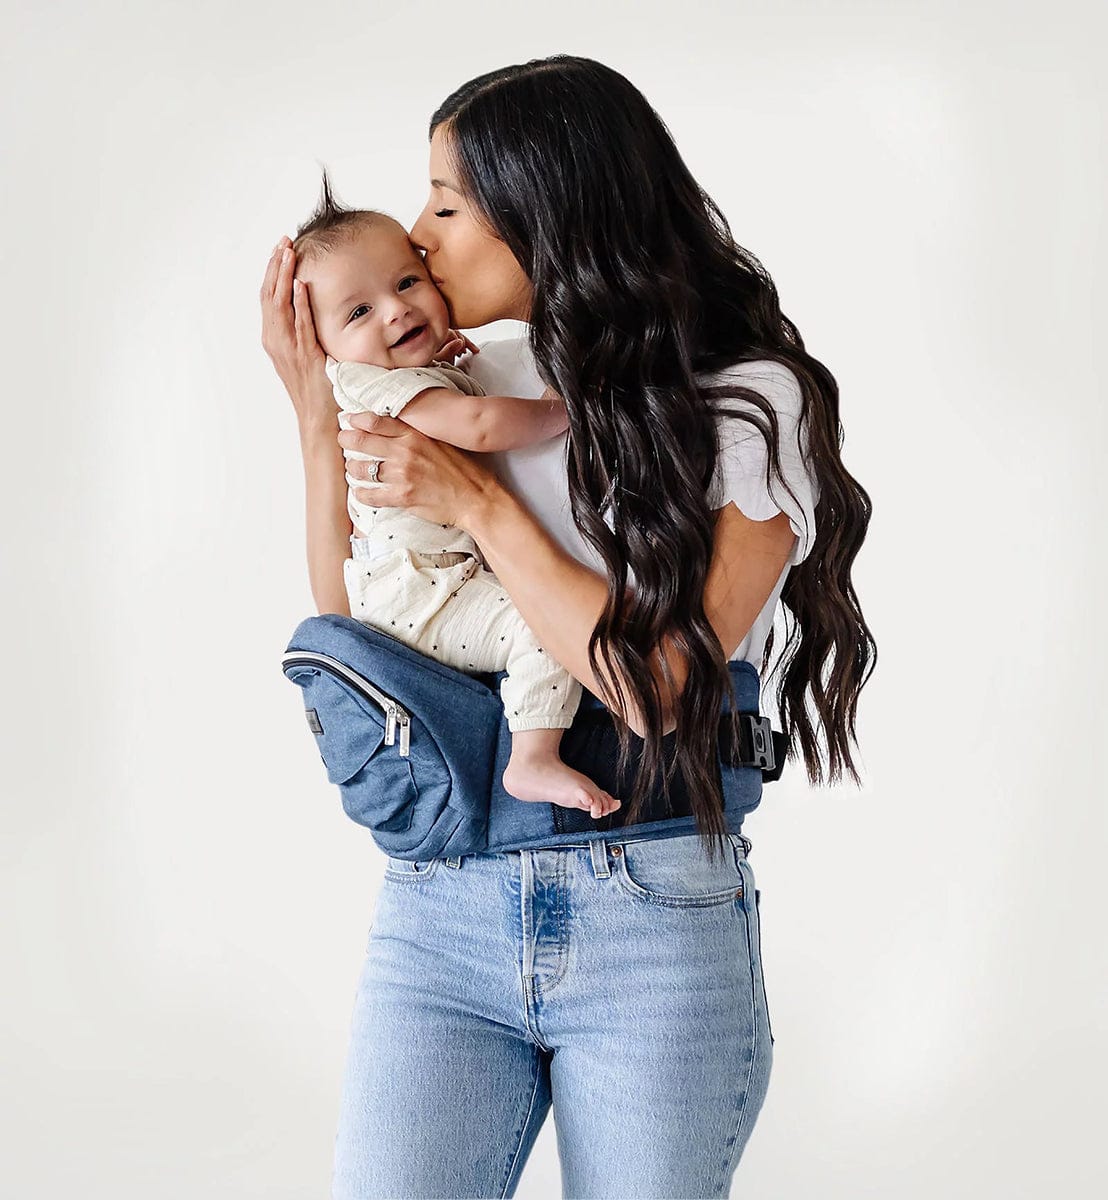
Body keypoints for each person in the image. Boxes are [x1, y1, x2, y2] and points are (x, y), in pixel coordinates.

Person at [260, 55, 875, 1200]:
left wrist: (480, 504)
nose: (418, 236)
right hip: (440, 905)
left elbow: (662, 690)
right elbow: (356, 634)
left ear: (548, 204)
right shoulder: (457, 381)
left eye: (448, 203)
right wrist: (316, 411)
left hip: (651, 907)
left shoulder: (745, 403)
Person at [291, 199, 620, 818]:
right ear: (325, 348)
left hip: (432, 583)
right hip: (423, 596)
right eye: (359, 312)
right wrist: (562, 410)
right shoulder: (368, 384)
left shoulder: (413, 373)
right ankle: (533, 757)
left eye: (406, 281)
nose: (396, 310)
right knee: (542, 629)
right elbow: (478, 425)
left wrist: (441, 361)